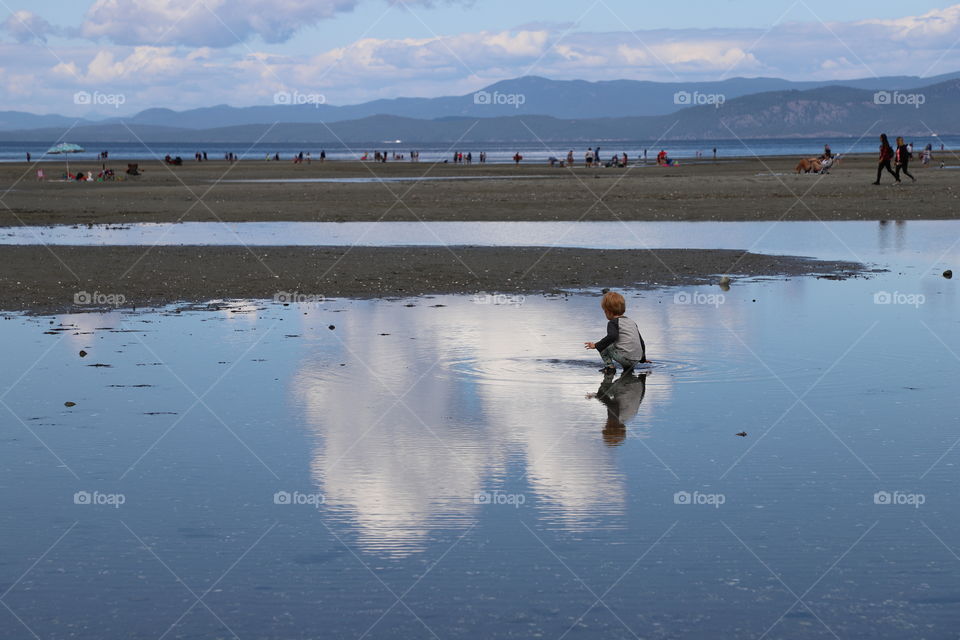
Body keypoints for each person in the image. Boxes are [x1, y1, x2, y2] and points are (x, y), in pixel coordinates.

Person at [584, 290, 647, 374]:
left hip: (625, 358)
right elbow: (641, 342)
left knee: (604, 346)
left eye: (604, 311)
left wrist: (596, 345)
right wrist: (643, 359)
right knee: (621, 345)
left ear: (608, 311)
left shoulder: (613, 322)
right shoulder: (631, 322)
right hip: (636, 360)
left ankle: (610, 368)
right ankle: (629, 370)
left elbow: (612, 336)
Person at [587, 371, 647, 446]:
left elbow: (640, 397)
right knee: (602, 392)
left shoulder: (630, 416)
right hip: (625, 383)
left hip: (637, 383)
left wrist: (643, 376)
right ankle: (609, 372)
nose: (604, 426)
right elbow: (612, 406)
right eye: (606, 428)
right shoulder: (614, 420)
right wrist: (596, 395)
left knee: (609, 395)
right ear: (610, 428)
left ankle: (626, 370)